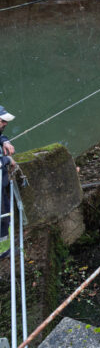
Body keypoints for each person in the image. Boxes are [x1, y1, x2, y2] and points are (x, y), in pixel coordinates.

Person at [0, 105, 16, 260]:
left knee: (7, 217)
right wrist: (7, 159)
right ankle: (4, 252)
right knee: (2, 220)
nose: (5, 124)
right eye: (2, 121)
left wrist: (5, 141)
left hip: (2, 184)